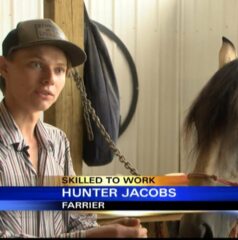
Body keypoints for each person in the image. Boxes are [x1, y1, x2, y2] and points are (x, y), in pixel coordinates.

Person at [0, 18, 147, 238]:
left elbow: (78, 219)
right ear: (3, 67)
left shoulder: (58, 141)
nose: (49, 79)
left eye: (59, 69)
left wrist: (106, 230)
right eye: (36, 64)